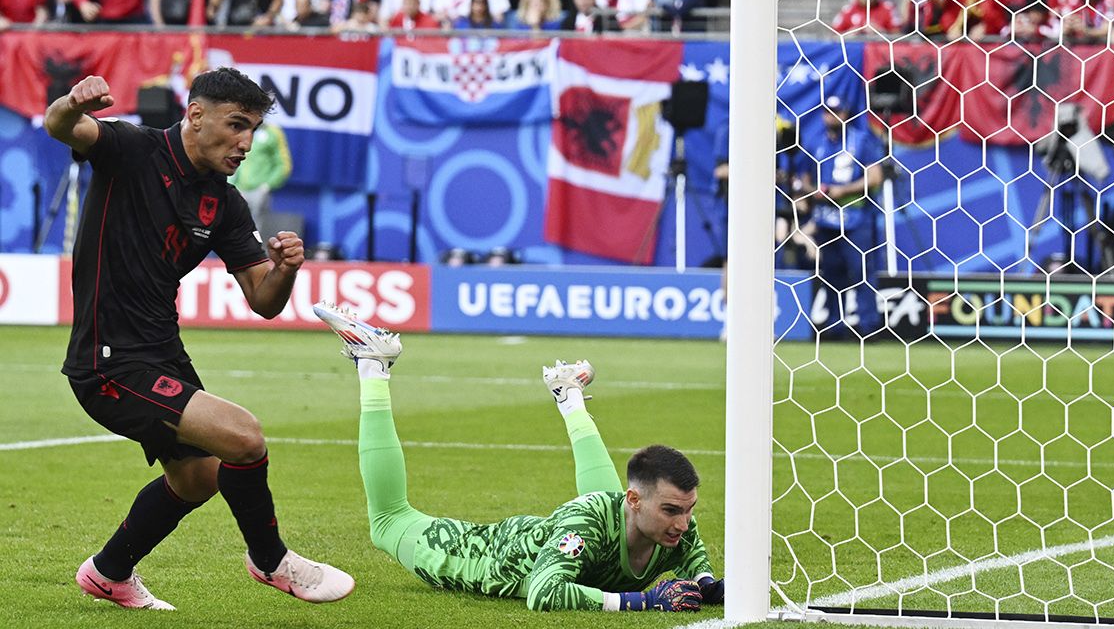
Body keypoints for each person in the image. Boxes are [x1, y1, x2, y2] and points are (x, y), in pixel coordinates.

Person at [48, 69, 352, 610]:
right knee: (243, 437)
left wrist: (285, 269)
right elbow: (62, 127)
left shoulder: (226, 205)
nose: (245, 143)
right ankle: (271, 560)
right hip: (108, 361)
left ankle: (108, 572)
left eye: (254, 130)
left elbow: (264, 300)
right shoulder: (131, 148)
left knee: (198, 478)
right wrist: (73, 102)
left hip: (162, 352)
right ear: (194, 115)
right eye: (236, 125)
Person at [311, 304, 721, 611]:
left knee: (612, 509)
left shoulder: (674, 522)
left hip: (560, 531)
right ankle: (374, 366)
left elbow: (697, 564)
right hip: (475, 555)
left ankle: (568, 394)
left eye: (687, 510)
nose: (683, 524)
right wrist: (645, 601)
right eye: (673, 510)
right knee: (388, 521)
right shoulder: (592, 521)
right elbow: (545, 592)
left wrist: (710, 586)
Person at [802, 95, 886, 339]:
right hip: (826, 217)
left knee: (861, 272)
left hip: (855, 218)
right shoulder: (815, 142)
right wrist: (814, 191)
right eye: (828, 111)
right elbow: (805, 177)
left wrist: (843, 191)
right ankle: (833, 325)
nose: (832, 116)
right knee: (831, 273)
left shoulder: (861, 141)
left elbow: (875, 178)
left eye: (837, 111)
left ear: (846, 114)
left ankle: (868, 326)